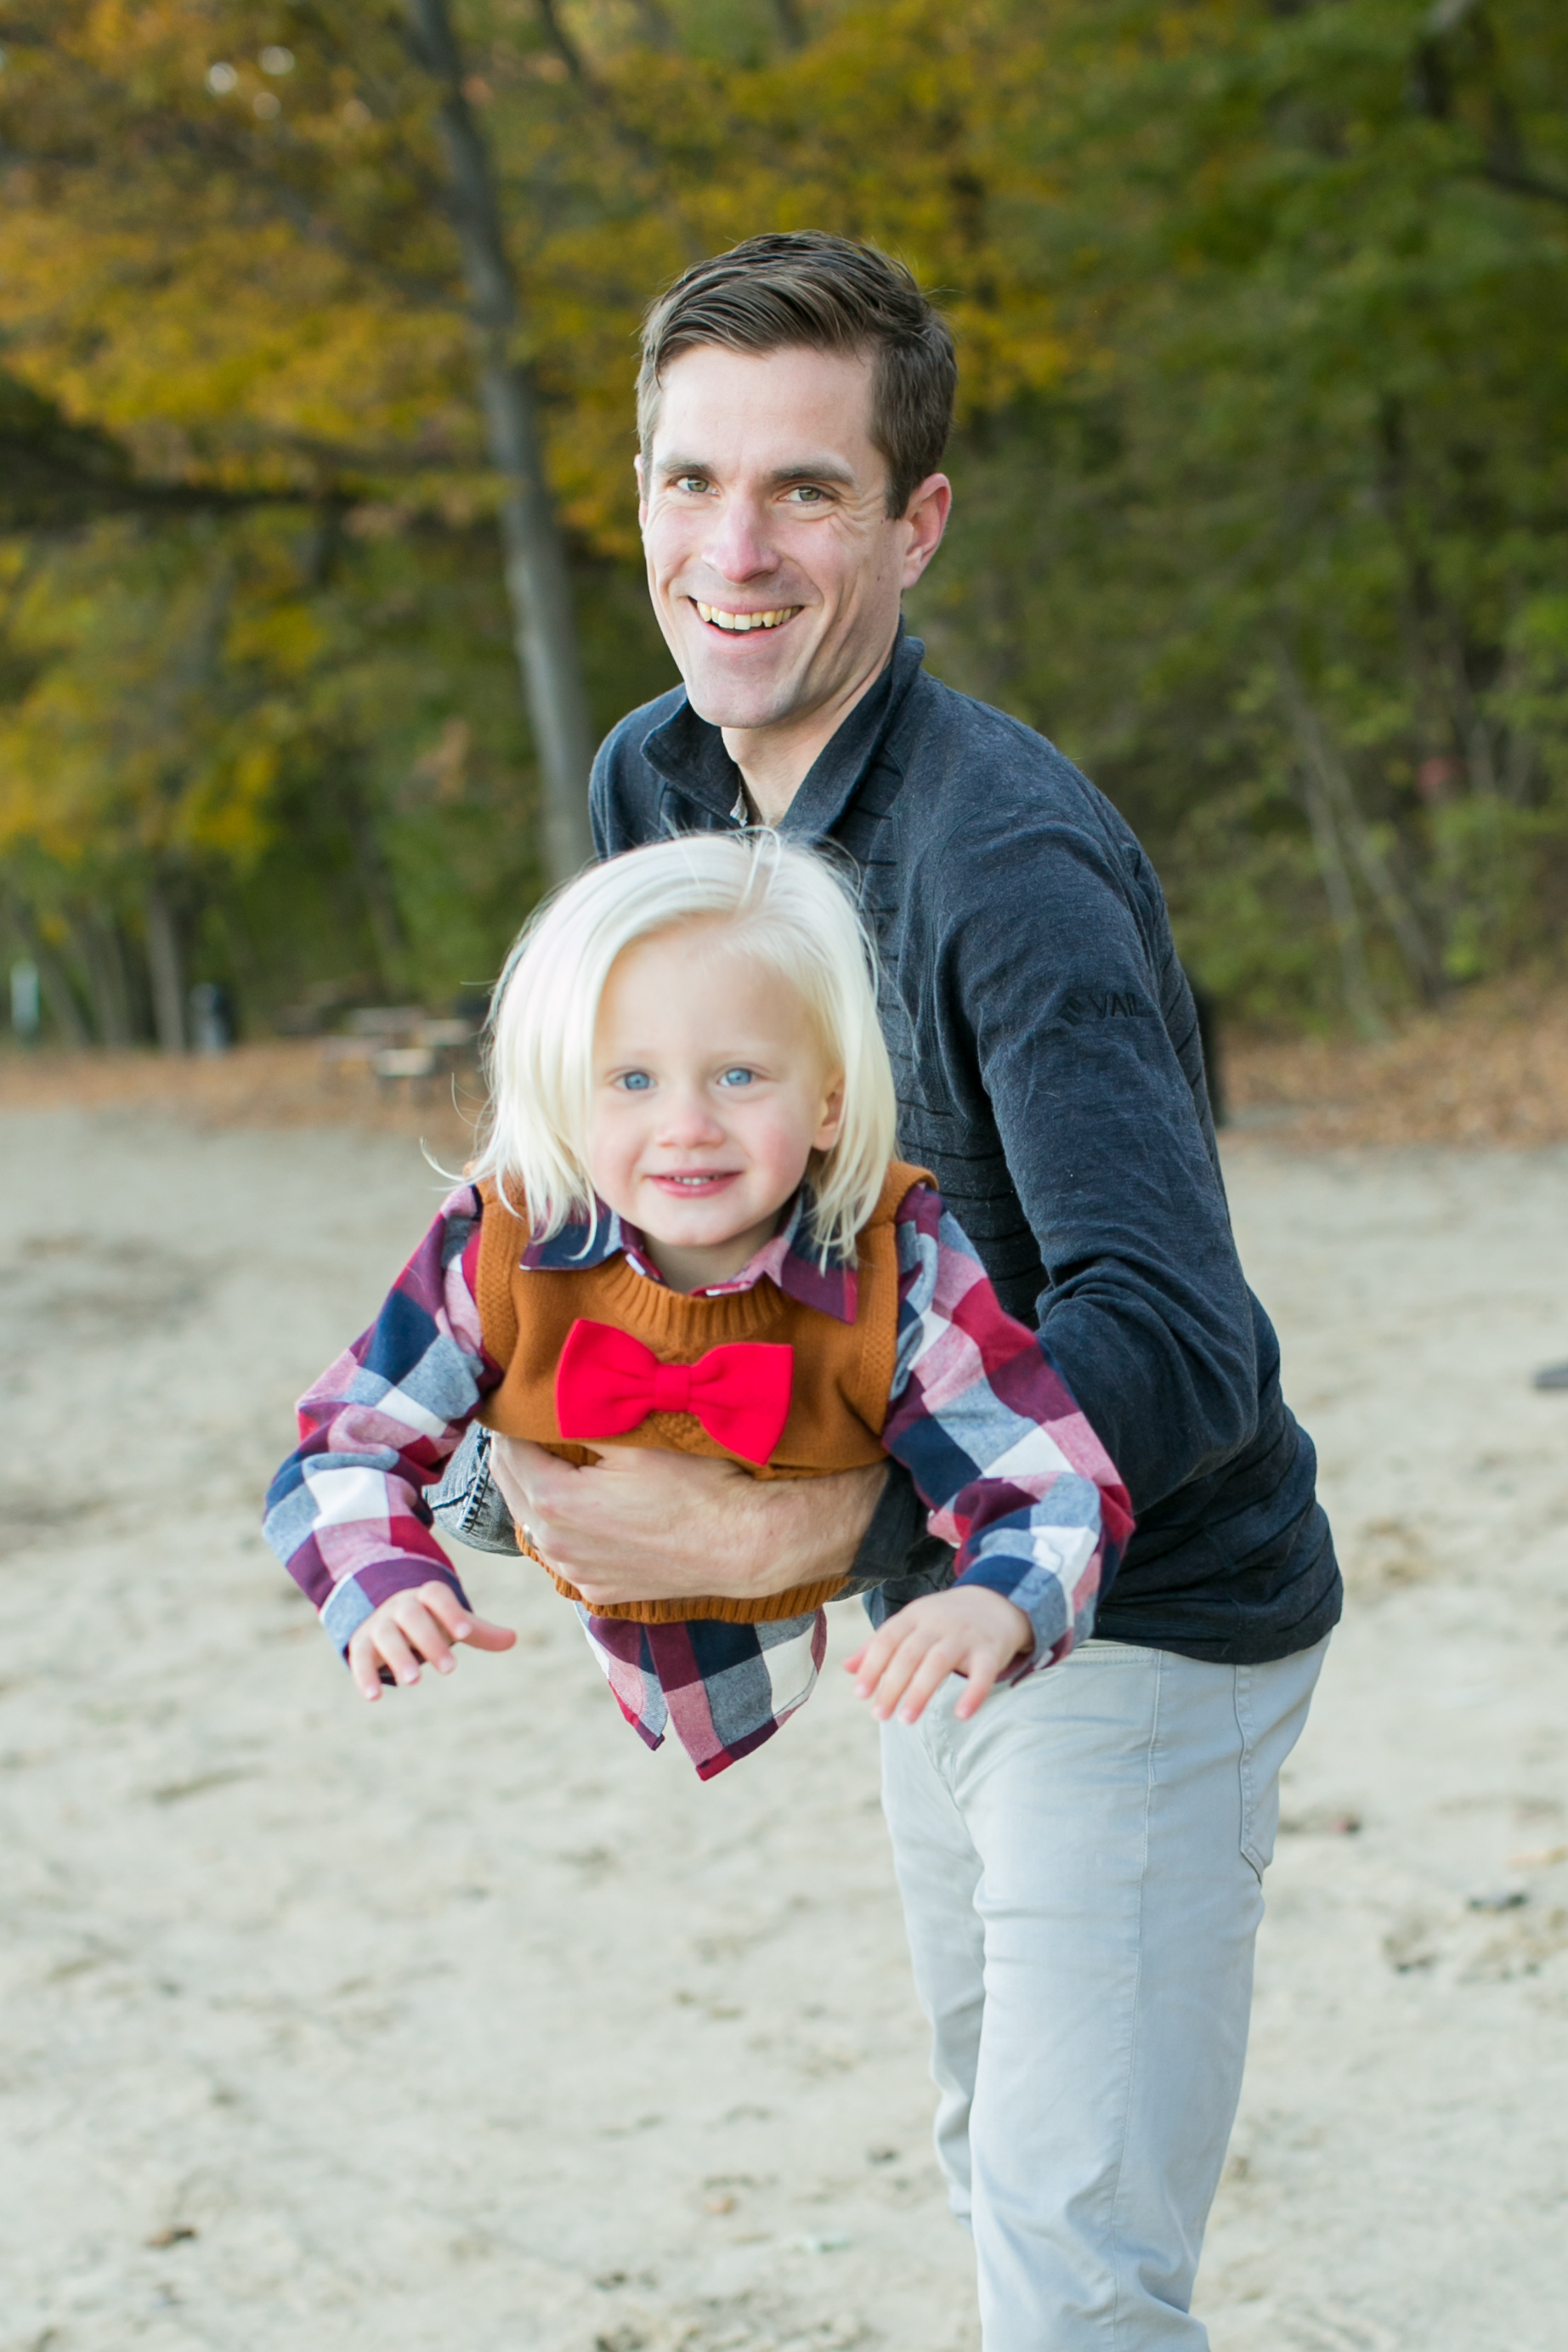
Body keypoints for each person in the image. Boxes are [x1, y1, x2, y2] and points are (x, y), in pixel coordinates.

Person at [442, 232, 1340, 2349]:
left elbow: (1179, 1331)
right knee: (985, 2153)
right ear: (634, 492)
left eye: (806, 492)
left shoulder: (1001, 866)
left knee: (1072, 2268)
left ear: (914, 523)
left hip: (1145, 1610)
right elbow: (654, 1164)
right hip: (922, 1602)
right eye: (688, 482)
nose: (731, 551)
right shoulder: (658, 786)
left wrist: (796, 1522)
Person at [264, 831, 1132, 1781]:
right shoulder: (500, 1242)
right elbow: (342, 1443)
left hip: (865, 1657)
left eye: (739, 1075)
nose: (688, 1124)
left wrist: (999, 1601)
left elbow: (1052, 1478)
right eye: (633, 1080)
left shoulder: (896, 1257)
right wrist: (383, 1583)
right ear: (564, 1101)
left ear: (830, 1102)